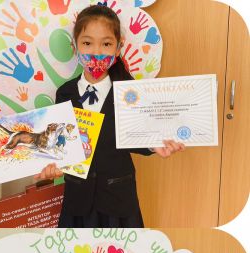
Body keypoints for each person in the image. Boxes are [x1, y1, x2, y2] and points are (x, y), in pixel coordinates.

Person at [35, 4, 185, 227]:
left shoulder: (130, 92)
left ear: (118, 48)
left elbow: (136, 134)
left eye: (106, 44)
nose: (96, 52)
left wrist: (155, 145)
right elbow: (60, 146)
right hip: (78, 200)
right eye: (87, 43)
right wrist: (52, 166)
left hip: (118, 198)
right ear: (75, 47)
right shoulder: (65, 93)